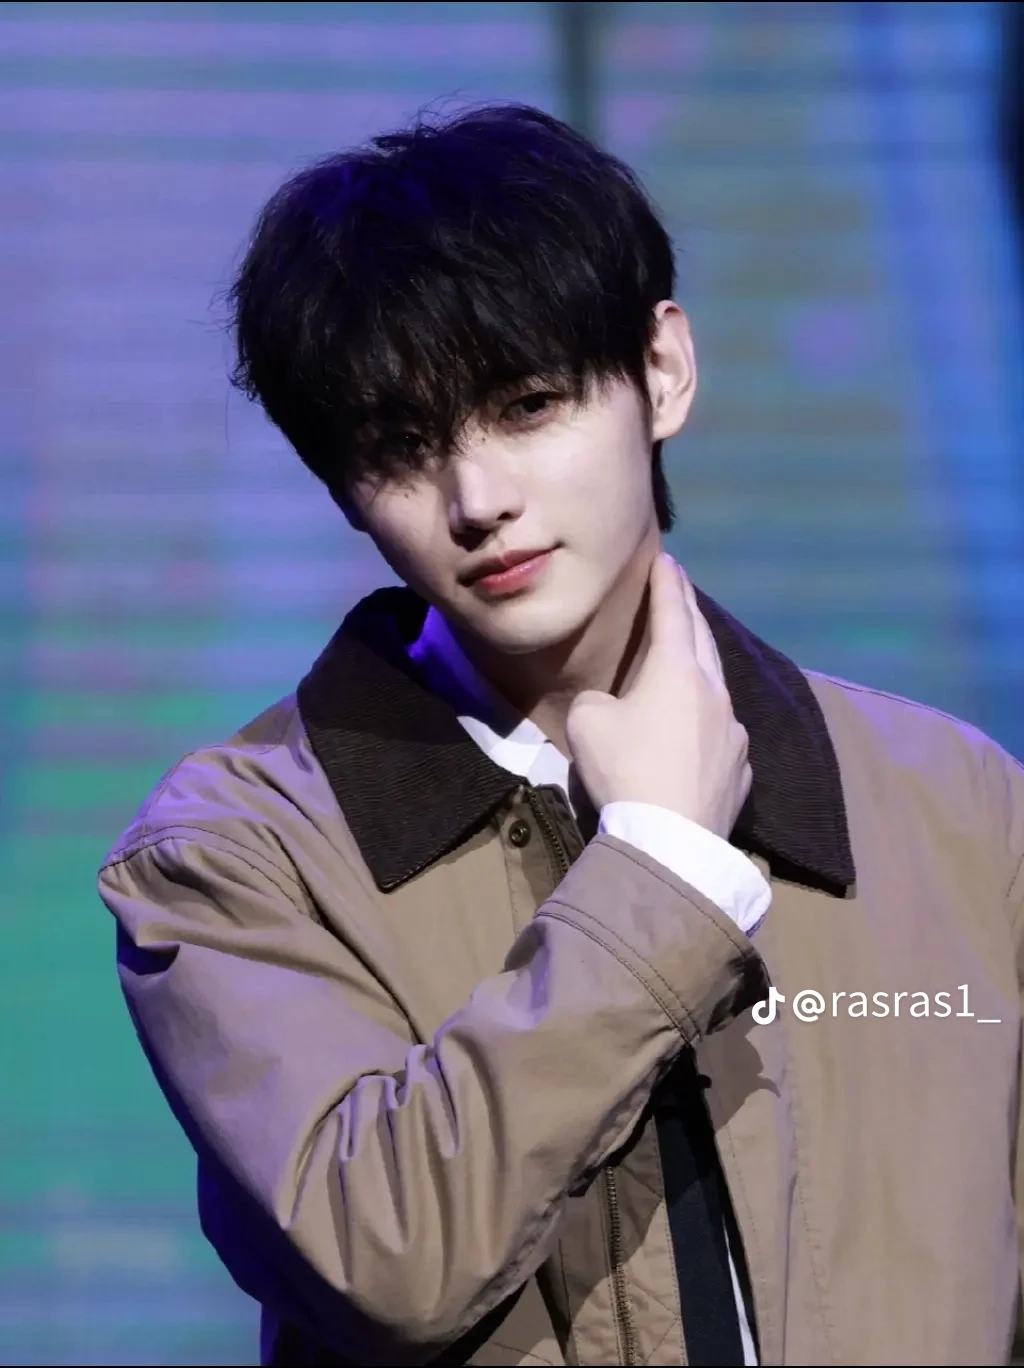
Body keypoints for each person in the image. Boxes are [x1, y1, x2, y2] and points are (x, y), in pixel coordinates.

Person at [97, 103, 1024, 1367]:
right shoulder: (235, 854)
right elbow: (389, 1263)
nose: (478, 499)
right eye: (402, 450)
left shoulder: (953, 803)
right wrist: (656, 867)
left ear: (663, 372)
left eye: (528, 405)